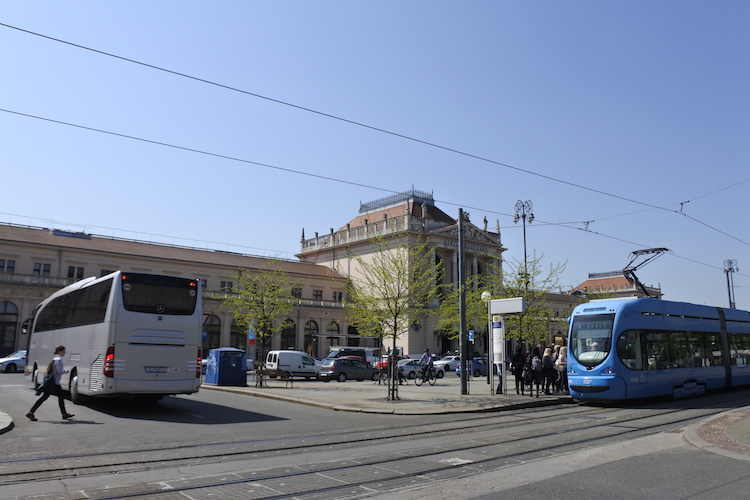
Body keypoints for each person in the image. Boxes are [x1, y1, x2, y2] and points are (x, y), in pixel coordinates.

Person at [27, 346, 74, 421]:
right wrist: (65, 371)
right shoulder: (59, 360)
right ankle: (31, 412)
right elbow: (59, 371)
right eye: (63, 351)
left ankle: (64, 414)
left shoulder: (55, 359)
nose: (65, 352)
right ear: (59, 352)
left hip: (53, 382)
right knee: (54, 397)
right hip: (54, 382)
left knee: (51, 397)